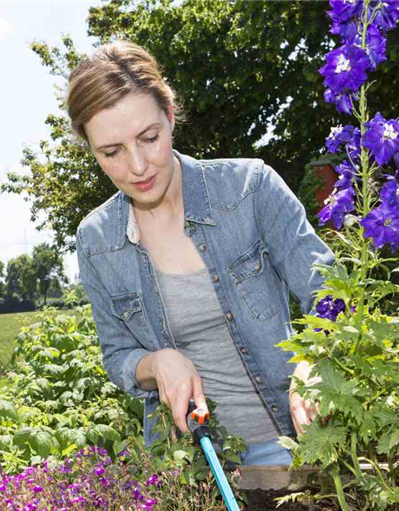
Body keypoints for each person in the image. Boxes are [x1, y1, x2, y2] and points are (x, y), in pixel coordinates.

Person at [69, 41, 333, 466]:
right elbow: (117, 355)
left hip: (296, 449)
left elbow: (329, 292)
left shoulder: (249, 188)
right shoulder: (97, 241)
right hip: (188, 468)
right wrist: (157, 362)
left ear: (170, 117)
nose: (137, 166)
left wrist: (316, 359)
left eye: (149, 138)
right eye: (112, 152)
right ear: (92, 150)